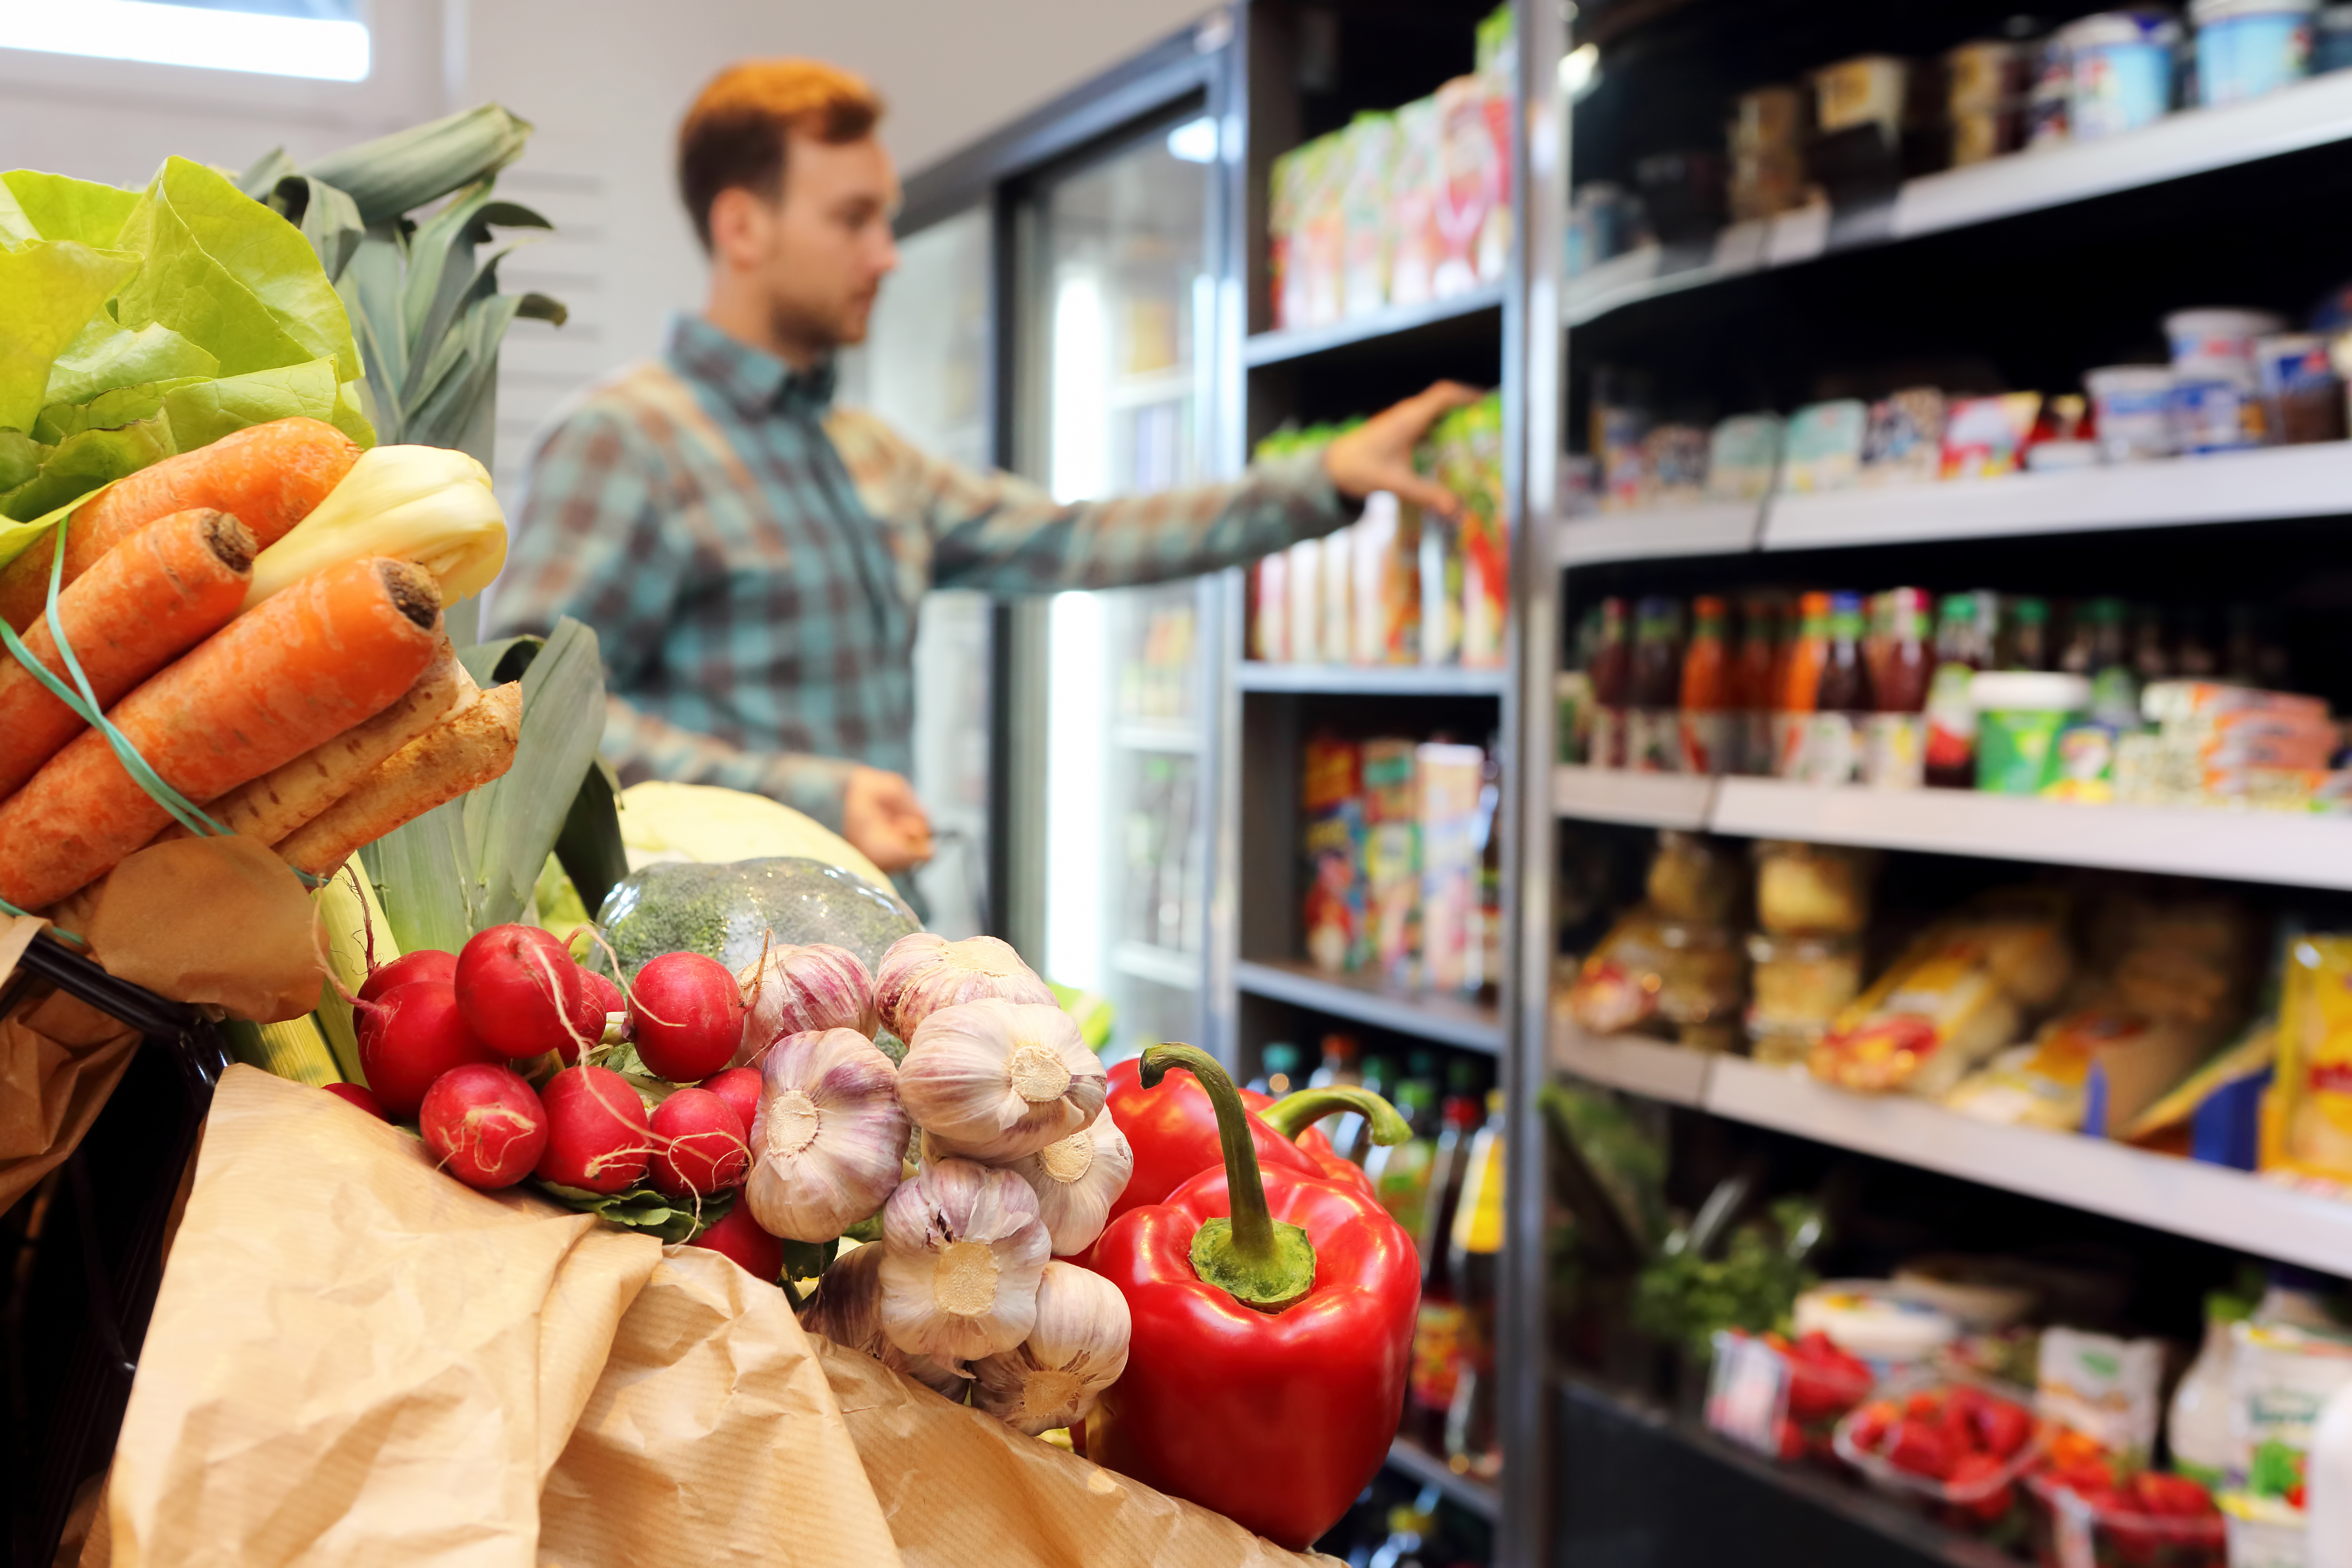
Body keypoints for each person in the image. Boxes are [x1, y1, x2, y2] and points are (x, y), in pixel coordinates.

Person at [488, 57, 1477, 875]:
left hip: (868, 945)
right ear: (743, 226)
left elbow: (1075, 536)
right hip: (691, 987)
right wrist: (812, 793)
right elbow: (529, 721)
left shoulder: (867, 454)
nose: (887, 254)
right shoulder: (626, 439)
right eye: (853, 218)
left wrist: (1326, 479)